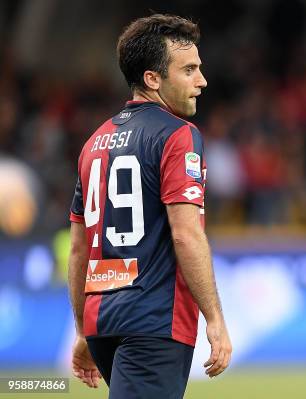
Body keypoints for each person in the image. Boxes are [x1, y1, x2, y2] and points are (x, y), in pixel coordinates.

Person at [67, 14, 231, 398]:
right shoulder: (179, 136)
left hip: (103, 323)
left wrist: (83, 332)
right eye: (189, 70)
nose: (201, 81)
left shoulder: (94, 143)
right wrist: (216, 318)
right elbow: (187, 235)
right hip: (155, 322)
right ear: (152, 79)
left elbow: (79, 248)